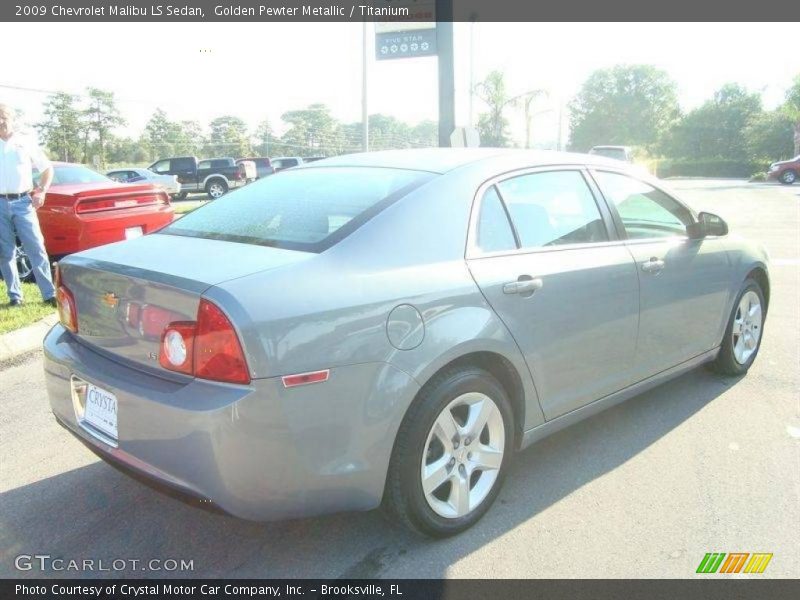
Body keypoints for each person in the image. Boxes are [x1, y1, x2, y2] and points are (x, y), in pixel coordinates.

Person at [0, 103, 56, 307]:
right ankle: (15, 296)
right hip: (0, 204)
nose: (0, 121)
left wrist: (41, 190)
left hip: (23, 202)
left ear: (11, 118)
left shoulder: (25, 140)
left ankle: (49, 294)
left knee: (36, 248)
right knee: (5, 252)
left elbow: (47, 168)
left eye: (3, 117)